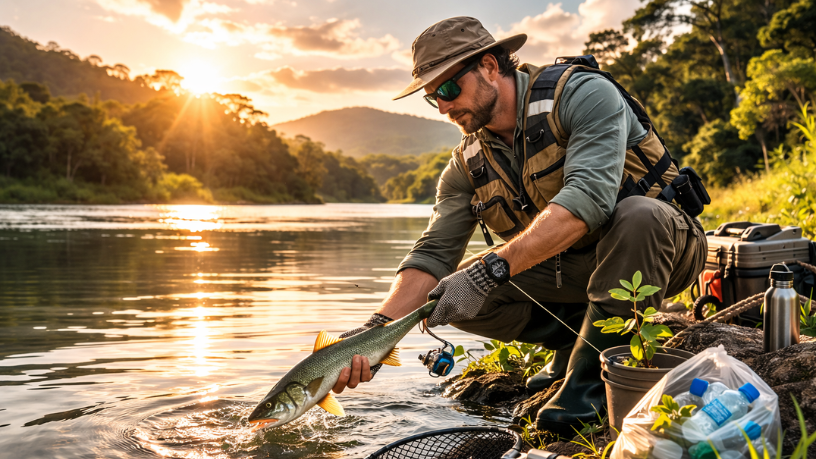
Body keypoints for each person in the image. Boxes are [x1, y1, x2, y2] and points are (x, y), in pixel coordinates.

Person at [332, 16, 707, 434]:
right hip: (572, 271)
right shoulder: (465, 164)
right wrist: (374, 332)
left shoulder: (584, 94)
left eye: (449, 88)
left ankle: (592, 387)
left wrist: (490, 270)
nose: (442, 105)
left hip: (662, 251)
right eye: (431, 96)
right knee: (445, 294)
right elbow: (433, 253)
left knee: (639, 214)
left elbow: (587, 201)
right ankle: (575, 340)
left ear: (490, 66)